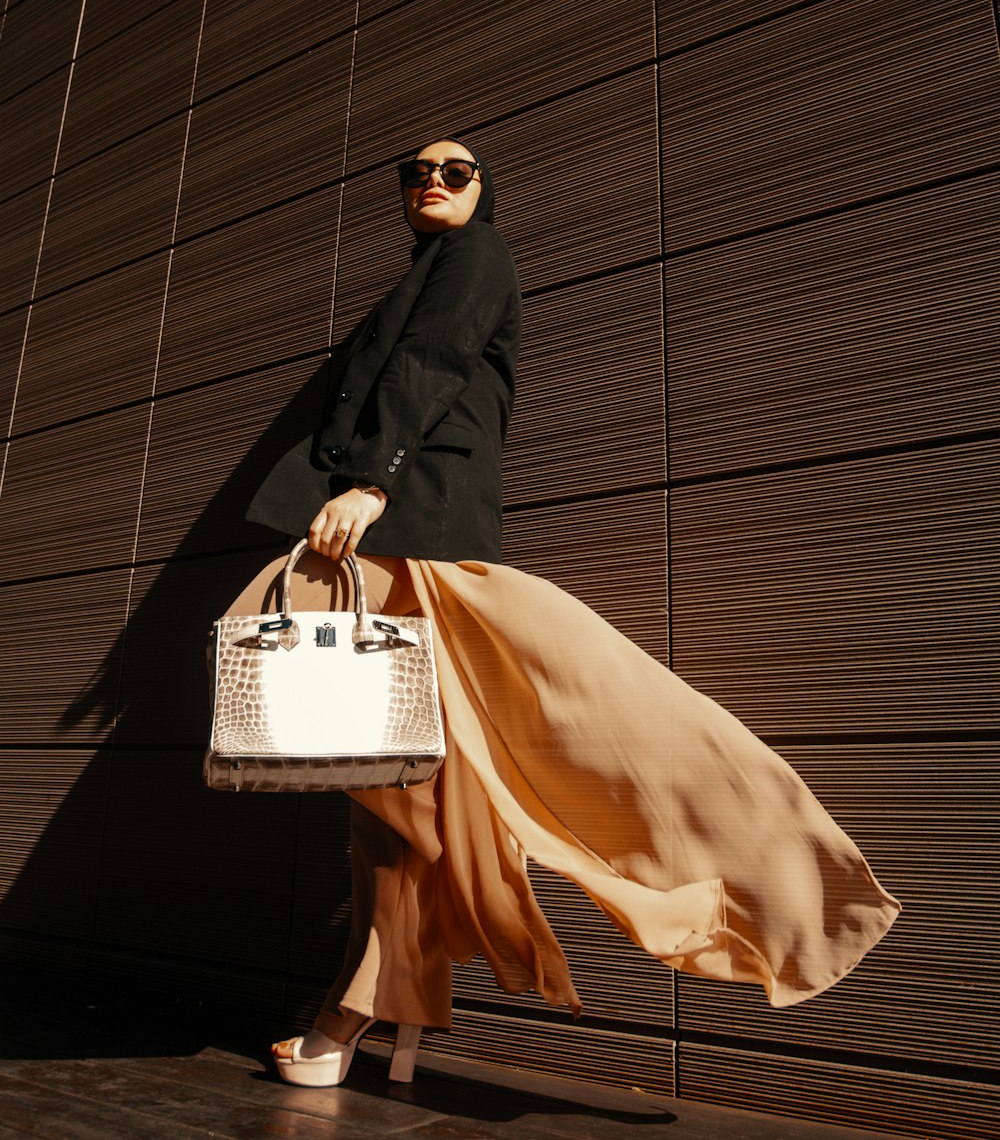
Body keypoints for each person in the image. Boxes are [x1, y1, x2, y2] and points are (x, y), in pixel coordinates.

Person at [229, 139, 900, 1090]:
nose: (432, 179)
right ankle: (386, 1008)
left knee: (403, 789)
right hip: (409, 537)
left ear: (484, 190)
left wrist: (368, 486)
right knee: (401, 794)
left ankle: (360, 1012)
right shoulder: (433, 266)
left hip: (412, 536)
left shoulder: (477, 256)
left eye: (456, 170)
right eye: (415, 171)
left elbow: (432, 359)